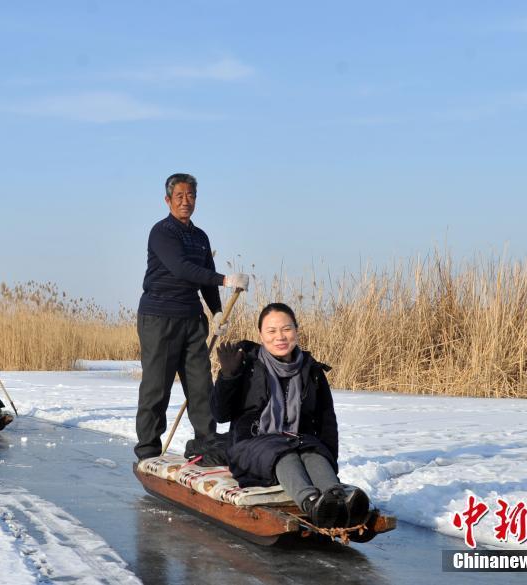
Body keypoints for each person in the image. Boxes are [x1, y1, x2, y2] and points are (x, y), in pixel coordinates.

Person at [211, 303, 371, 529]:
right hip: (251, 445)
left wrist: (328, 459)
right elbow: (220, 415)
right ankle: (312, 503)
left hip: (297, 439)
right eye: (272, 331)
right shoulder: (247, 365)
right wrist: (229, 376)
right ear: (261, 335)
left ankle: (336, 497)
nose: (280, 337)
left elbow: (327, 420)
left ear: (296, 330)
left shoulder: (311, 370)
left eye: (286, 329)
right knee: (284, 453)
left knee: (313, 451)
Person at [134, 172, 249, 460]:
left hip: (192, 319)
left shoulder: (200, 237)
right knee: (156, 388)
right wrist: (226, 280)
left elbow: (205, 280)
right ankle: (148, 450)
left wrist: (218, 312)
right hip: (159, 318)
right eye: (180, 196)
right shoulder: (162, 232)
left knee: (200, 386)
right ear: (168, 200)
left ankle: (207, 445)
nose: (186, 201)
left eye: (191, 196)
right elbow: (182, 268)